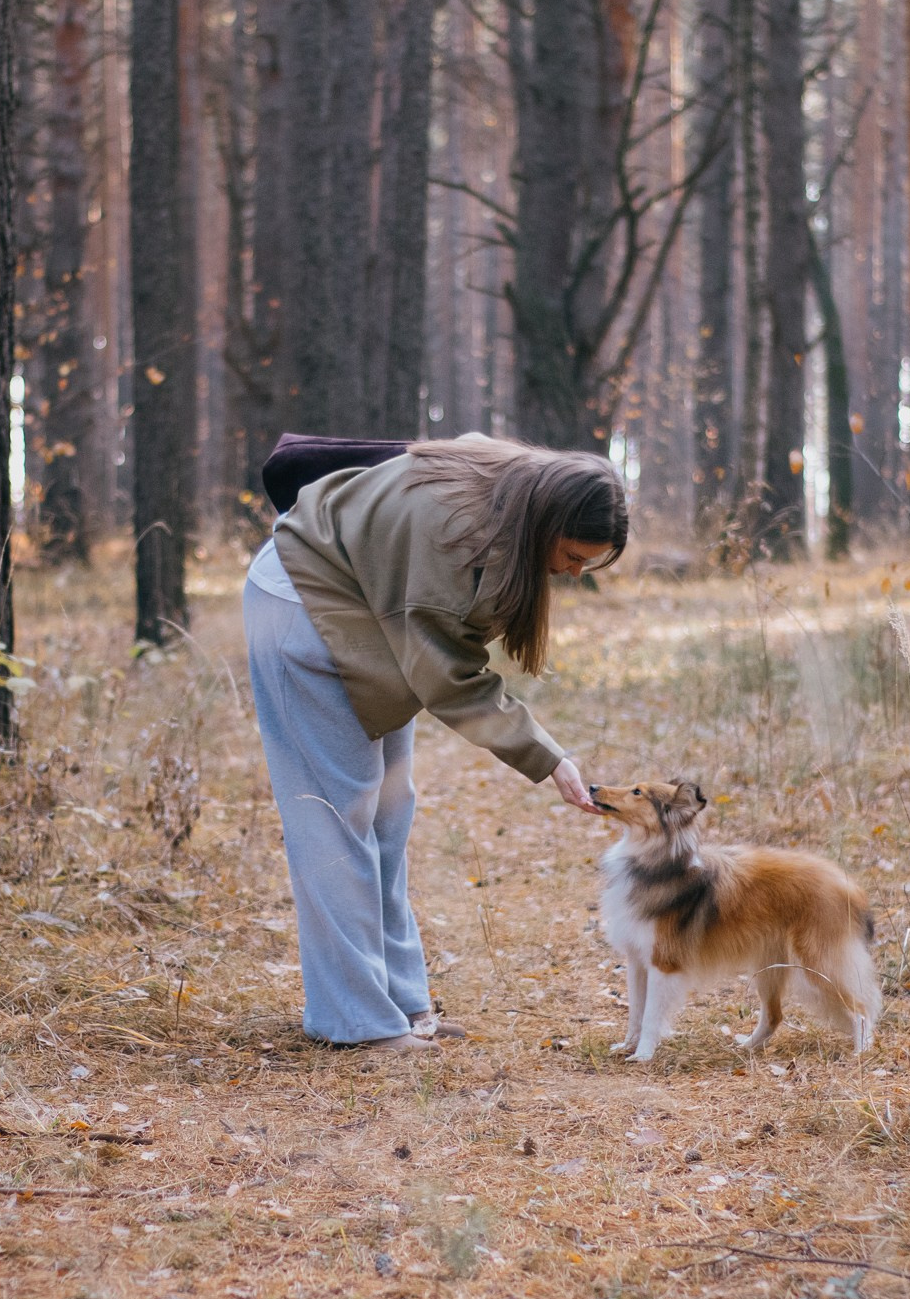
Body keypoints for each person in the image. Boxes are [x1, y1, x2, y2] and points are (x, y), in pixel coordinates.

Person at [243, 434, 625, 1052]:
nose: (576, 573)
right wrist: (549, 759)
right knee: (334, 821)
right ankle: (358, 1024)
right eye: (574, 555)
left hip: (368, 605)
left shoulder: (512, 498)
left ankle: (400, 1004)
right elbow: (449, 675)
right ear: (547, 519)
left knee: (389, 813)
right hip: (302, 603)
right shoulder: (454, 533)